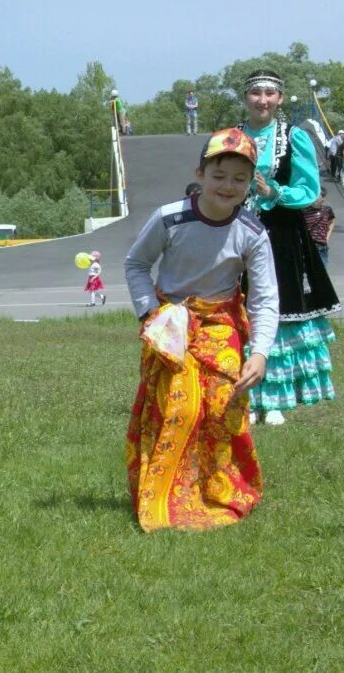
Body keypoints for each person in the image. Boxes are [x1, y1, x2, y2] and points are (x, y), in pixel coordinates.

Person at [124, 128, 277, 532]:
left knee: (222, 408)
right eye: (219, 175)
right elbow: (136, 264)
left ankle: (221, 490)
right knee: (177, 404)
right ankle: (162, 494)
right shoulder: (169, 218)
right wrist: (149, 313)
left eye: (240, 179)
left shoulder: (254, 234)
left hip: (221, 323)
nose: (228, 186)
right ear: (201, 173)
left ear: (251, 184)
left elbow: (263, 298)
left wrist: (259, 352)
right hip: (169, 321)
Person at [238, 69, 339, 426]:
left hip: (280, 234)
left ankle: (277, 397)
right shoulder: (232, 137)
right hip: (235, 234)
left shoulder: (293, 137)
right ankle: (246, 397)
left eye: (269, 93)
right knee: (240, 309)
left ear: (279, 98)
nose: (262, 100)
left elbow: (309, 190)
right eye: (256, 93)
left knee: (276, 307)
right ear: (246, 97)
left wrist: (274, 192)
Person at [302, 188, 336, 267]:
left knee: (322, 272)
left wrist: (327, 237)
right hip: (306, 245)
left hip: (321, 246)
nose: (319, 199)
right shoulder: (303, 210)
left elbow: (331, 222)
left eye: (321, 197)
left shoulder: (327, 210)